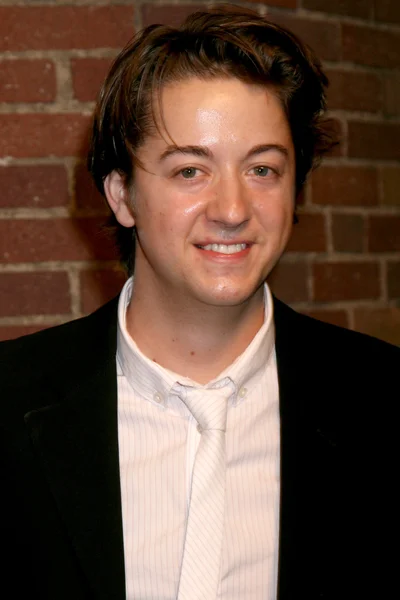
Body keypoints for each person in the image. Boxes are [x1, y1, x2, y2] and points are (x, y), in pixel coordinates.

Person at [1, 6, 398, 600]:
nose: (232, 209)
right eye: (190, 170)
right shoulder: (10, 405)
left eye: (262, 169)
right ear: (122, 195)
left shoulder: (383, 400)